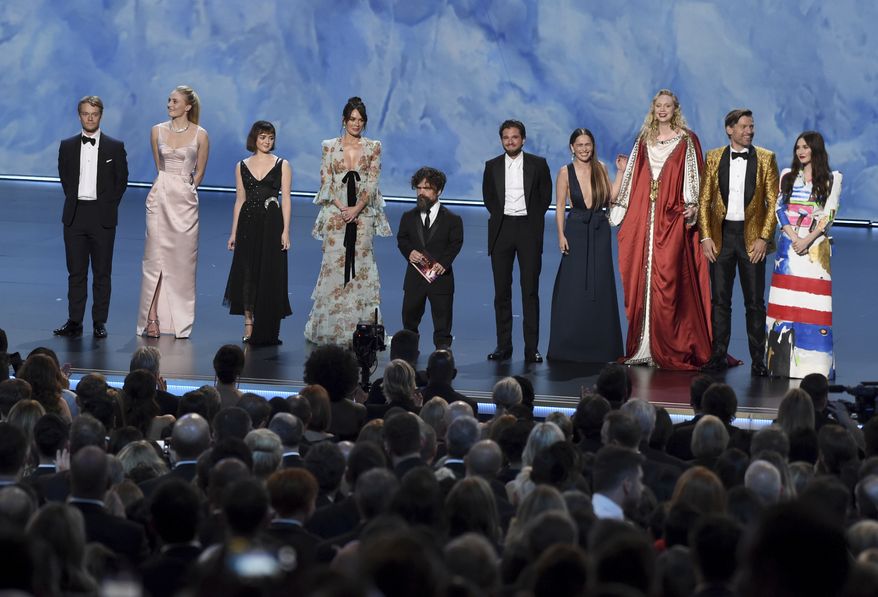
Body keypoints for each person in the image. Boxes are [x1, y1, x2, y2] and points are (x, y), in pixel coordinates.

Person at [609, 89, 711, 370]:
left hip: (671, 220)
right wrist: (620, 205)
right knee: (642, 277)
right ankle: (644, 347)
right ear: (653, 109)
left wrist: (691, 206)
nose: (663, 110)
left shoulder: (687, 140)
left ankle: (671, 344)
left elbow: (694, 176)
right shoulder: (643, 140)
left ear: (675, 109)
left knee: (670, 280)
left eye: (667, 106)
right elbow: (632, 176)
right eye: (658, 106)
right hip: (645, 218)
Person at [305, 96, 391, 346]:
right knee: (333, 267)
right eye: (352, 119)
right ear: (344, 120)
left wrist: (357, 209)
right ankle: (332, 327)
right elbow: (327, 180)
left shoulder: (373, 146)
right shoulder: (329, 146)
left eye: (361, 120)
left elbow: (373, 181)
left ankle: (359, 327)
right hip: (336, 214)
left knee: (361, 268)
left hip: (362, 215)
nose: (356, 123)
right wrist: (343, 208)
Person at [699, 108, 779, 376]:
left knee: (755, 302)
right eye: (744, 127)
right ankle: (718, 355)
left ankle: (759, 361)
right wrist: (706, 236)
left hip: (751, 238)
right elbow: (704, 201)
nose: (749, 131)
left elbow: (772, 203)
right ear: (729, 129)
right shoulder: (713, 158)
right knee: (720, 301)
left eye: (752, 127)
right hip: (721, 238)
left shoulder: (767, 159)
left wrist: (764, 238)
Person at [765, 131, 841, 378]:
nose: (801, 151)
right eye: (798, 146)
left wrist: (807, 239)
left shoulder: (831, 179)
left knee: (812, 307)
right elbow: (779, 208)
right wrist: (793, 237)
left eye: (806, 147)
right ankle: (780, 364)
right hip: (789, 250)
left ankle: (814, 367)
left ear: (815, 149)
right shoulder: (788, 176)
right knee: (786, 307)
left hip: (815, 251)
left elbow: (828, 215)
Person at [136, 85, 210, 339]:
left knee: (181, 261)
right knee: (154, 257)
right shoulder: (156, 130)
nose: (169, 104)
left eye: (175, 101)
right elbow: (160, 166)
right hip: (160, 197)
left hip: (184, 203)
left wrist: (189, 189)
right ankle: (152, 317)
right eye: (168, 100)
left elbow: (199, 171)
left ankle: (178, 317)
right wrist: (167, 183)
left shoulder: (201, 135)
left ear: (187, 106)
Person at [54, 95, 128, 339]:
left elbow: (121, 180)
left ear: (100, 115)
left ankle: (99, 322)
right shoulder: (67, 146)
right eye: (85, 113)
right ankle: (74, 321)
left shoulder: (115, 147)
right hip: (74, 216)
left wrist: (107, 204)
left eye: (94, 114)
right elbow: (65, 177)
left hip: (102, 216)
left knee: (101, 272)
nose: (89, 118)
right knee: (75, 272)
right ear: (79, 115)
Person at [548, 128, 622, 362]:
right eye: (579, 145)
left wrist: (620, 172)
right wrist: (561, 235)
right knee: (574, 286)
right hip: (576, 231)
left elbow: (610, 197)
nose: (584, 149)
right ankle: (569, 345)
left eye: (587, 144)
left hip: (599, 231)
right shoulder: (564, 173)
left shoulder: (601, 168)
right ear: (572, 147)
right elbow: (560, 205)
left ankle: (601, 346)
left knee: (600, 285)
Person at [482, 119, 552, 363]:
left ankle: (531, 348)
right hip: (501, 230)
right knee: (501, 292)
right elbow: (489, 197)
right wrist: (502, 216)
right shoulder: (491, 166)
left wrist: (531, 221)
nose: (510, 141)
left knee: (529, 291)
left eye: (514, 137)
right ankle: (504, 346)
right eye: (506, 137)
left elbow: (545, 196)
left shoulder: (538, 164)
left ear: (523, 139)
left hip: (528, 229)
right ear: (501, 140)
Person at [223, 120, 292, 345]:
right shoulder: (240, 165)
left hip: (272, 224)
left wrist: (286, 232)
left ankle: (270, 326)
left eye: (271, 137)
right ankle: (249, 322)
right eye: (263, 137)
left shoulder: (282, 164)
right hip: (248, 224)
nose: (267, 141)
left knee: (271, 273)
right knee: (248, 272)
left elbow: (287, 199)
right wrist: (233, 233)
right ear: (255, 138)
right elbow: (239, 200)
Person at [397, 167, 464, 349]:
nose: (421, 192)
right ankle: (408, 356)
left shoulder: (453, 219)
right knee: (409, 321)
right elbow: (402, 239)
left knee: (442, 325)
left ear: (439, 191)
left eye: (426, 188)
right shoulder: (408, 217)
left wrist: (444, 262)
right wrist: (409, 252)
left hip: (440, 279)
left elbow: (455, 243)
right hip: (414, 278)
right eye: (418, 188)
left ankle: (442, 356)